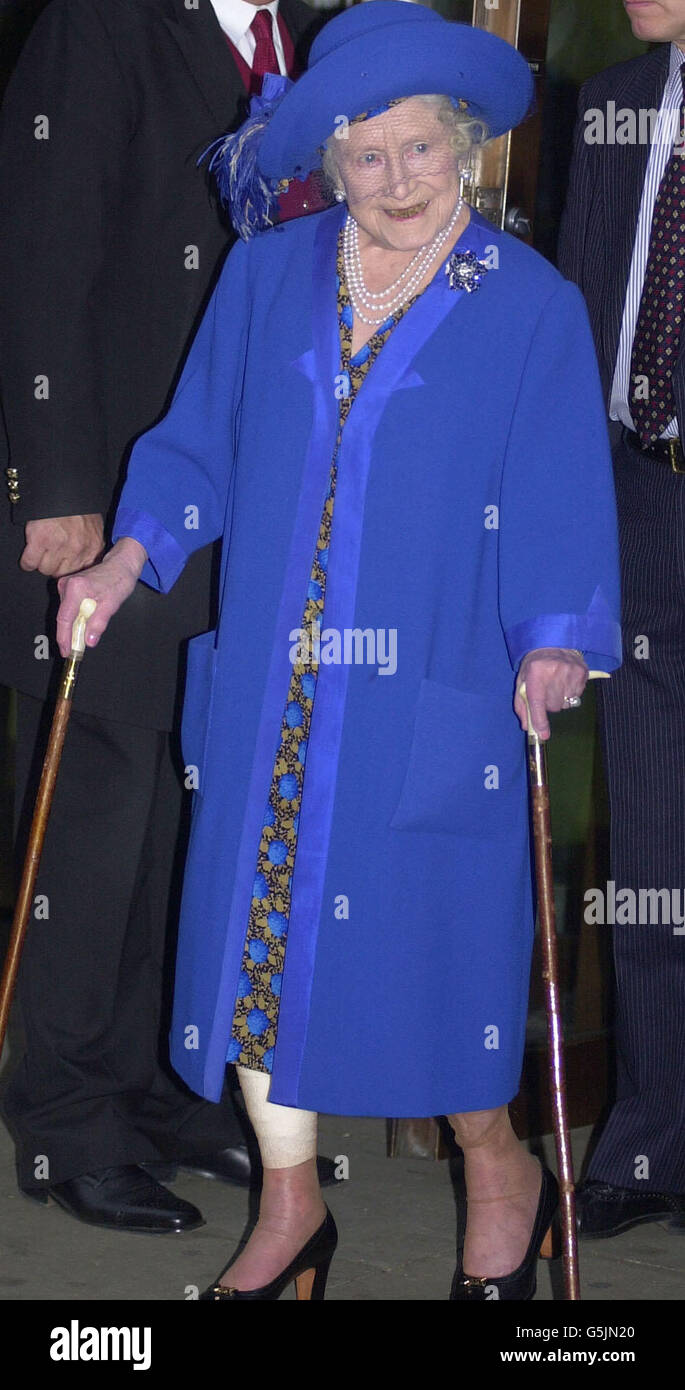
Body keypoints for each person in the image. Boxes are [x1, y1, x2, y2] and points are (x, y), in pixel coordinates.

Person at [58, 1, 622, 1299]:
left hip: (433, 696)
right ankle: (293, 1208)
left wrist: (550, 644)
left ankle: (500, 1174)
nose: (396, 181)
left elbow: (553, 494)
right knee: (257, 961)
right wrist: (125, 558)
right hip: (270, 695)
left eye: (422, 150)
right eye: (366, 154)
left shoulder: (527, 304)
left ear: (467, 148)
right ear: (331, 159)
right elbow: (192, 446)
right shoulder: (267, 274)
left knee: (437, 966)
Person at [0, 0, 334, 1236]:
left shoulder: (301, 35)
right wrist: (64, 488)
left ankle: (164, 1091)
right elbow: (40, 251)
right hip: (110, 505)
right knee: (95, 822)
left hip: (240, 507)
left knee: (187, 815)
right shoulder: (100, 26)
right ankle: (68, 1117)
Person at [558, 0, 685, 1239]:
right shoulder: (608, 110)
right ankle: (647, 1143)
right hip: (639, 504)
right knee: (650, 859)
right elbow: (571, 320)